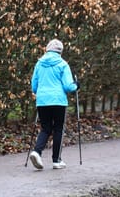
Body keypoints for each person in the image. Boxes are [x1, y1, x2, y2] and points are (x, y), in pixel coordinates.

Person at [30, 39, 79, 170]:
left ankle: (36, 152)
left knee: (45, 128)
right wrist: (76, 86)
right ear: (60, 51)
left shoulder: (39, 64)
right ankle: (56, 160)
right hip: (58, 101)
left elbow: (34, 87)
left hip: (42, 101)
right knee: (58, 129)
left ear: (47, 49)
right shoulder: (63, 64)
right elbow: (68, 86)